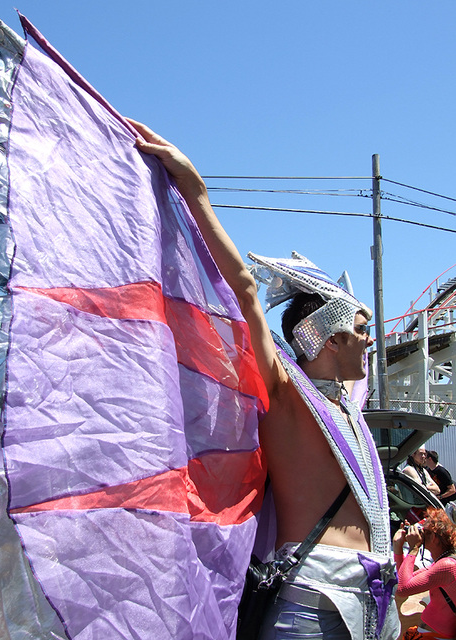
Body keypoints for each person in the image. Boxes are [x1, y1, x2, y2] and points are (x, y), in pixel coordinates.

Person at [127, 120, 400, 640]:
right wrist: (196, 190)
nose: (372, 340)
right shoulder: (285, 389)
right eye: (361, 330)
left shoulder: (349, 404)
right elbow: (246, 291)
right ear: (329, 339)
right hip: (314, 597)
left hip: (377, 595)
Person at [393, 509, 456, 639]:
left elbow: (402, 589)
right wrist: (398, 549)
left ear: (433, 537)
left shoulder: (447, 566)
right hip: (431, 634)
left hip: (437, 636)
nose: (420, 534)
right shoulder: (443, 562)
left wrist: (414, 549)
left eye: (424, 531)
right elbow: (403, 580)